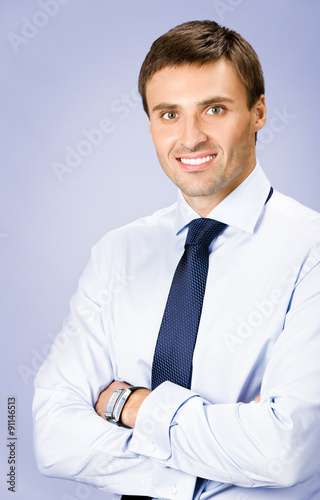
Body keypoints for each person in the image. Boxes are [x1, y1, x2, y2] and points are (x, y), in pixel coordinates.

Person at [33, 20, 320, 499]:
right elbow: (52, 438)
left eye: (214, 109)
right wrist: (213, 463)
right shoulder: (116, 253)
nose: (190, 138)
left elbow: (287, 450)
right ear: (149, 123)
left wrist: (132, 406)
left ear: (259, 112)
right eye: (168, 114)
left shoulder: (311, 248)